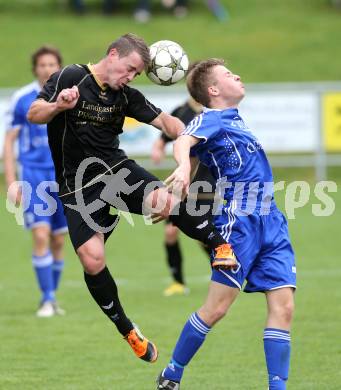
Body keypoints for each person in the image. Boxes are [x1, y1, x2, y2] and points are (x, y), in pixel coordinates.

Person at [27, 34, 236, 363]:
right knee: (92, 259)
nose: (130, 77)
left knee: (164, 202)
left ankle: (219, 244)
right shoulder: (70, 78)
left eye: (136, 74)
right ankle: (127, 329)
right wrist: (58, 106)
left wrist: (187, 133)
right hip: (76, 186)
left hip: (115, 172)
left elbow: (165, 120)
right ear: (112, 55)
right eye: (129, 69)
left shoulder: (125, 96)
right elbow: (34, 113)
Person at [156, 59, 296, 389]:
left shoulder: (236, 121)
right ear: (214, 90)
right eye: (228, 75)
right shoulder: (211, 119)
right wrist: (184, 169)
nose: (238, 75)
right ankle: (173, 372)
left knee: (285, 308)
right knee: (217, 308)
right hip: (240, 222)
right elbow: (183, 140)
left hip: (272, 221)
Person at [4, 46, 68, 318]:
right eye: (42, 64)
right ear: (35, 68)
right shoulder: (22, 99)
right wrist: (11, 181)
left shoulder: (69, 96)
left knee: (58, 241)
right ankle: (47, 298)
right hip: (33, 176)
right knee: (41, 234)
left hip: (63, 177)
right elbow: (9, 142)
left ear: (59, 67)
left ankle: (52, 300)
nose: (46, 68)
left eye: (52, 64)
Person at [151, 97, 214, 296]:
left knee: (205, 237)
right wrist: (158, 148)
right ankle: (178, 282)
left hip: (205, 182)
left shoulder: (212, 113)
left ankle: (225, 272)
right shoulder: (181, 110)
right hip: (182, 180)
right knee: (170, 232)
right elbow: (163, 138)